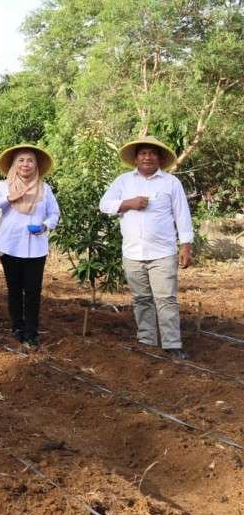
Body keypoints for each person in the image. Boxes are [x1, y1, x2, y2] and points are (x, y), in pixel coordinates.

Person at [99, 136, 194, 359]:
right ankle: (147, 341)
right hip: (132, 252)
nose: (147, 157)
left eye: (152, 153)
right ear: (135, 158)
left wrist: (186, 245)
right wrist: (127, 203)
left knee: (166, 299)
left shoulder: (171, 183)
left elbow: (182, 215)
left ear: (160, 158)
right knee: (141, 299)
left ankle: (172, 344)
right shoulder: (123, 182)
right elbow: (104, 204)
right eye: (143, 153)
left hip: (163, 252)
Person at [0, 144, 60, 348]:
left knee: (32, 291)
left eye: (30, 160)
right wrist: (8, 198)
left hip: (36, 247)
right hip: (11, 246)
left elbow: (54, 214)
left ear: (36, 165)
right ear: (14, 164)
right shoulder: (3, 186)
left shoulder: (45, 188)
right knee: (14, 290)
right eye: (21, 160)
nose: (26, 164)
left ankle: (31, 332)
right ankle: (17, 327)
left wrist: (45, 225)